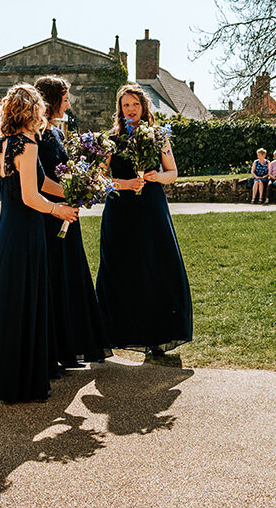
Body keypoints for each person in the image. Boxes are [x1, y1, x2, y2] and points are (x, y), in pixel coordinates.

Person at [0, 84, 79, 404]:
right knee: (24, 300)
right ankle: (21, 380)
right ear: (32, 111)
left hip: (7, 229)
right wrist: (58, 208)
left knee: (4, 302)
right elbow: (30, 196)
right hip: (26, 229)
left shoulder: (3, 144)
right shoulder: (29, 144)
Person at [96, 84, 193, 357]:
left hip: (151, 208)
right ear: (120, 108)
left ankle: (157, 336)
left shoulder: (159, 136)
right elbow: (101, 179)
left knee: (155, 265)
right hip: (120, 209)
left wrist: (156, 177)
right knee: (118, 266)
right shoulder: (110, 140)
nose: (130, 110)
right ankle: (112, 333)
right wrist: (125, 184)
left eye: (135, 104)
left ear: (143, 106)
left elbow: (172, 172)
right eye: (125, 105)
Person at [33, 75, 112, 368]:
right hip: (51, 214)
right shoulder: (39, 134)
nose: (69, 104)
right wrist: (71, 192)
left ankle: (68, 347)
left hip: (67, 210)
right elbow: (42, 180)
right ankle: (55, 350)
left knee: (69, 275)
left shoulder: (55, 132)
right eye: (65, 99)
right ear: (52, 101)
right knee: (56, 276)